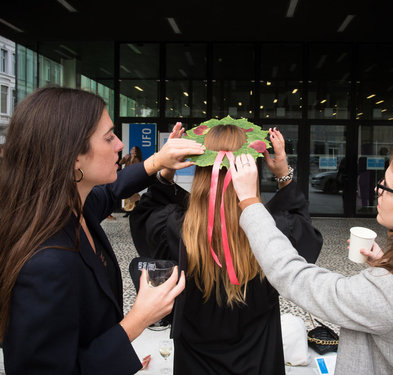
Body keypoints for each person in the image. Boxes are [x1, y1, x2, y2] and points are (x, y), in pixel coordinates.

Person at [230, 138, 393, 374]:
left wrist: (250, 203)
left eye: (386, 187)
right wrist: (388, 266)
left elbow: (295, 277)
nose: (376, 189)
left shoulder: (390, 296)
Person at [0, 87, 204, 375]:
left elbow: (111, 191)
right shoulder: (45, 263)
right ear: (73, 157)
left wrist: (160, 164)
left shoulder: (72, 206)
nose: (120, 144)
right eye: (109, 137)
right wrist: (139, 318)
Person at [129, 119, 323, 375]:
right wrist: (283, 176)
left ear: (201, 169)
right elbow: (306, 235)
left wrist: (166, 172)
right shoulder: (275, 231)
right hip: (259, 362)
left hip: (196, 364)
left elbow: (143, 217)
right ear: (250, 168)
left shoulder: (174, 228)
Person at [119, 146, 143, 217]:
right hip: (126, 178)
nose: (131, 150)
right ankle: (128, 210)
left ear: (135, 151)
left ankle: (135, 209)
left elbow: (136, 169)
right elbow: (120, 162)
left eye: (133, 149)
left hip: (133, 178)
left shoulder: (137, 159)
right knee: (127, 194)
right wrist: (124, 158)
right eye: (131, 148)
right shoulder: (128, 157)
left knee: (133, 193)